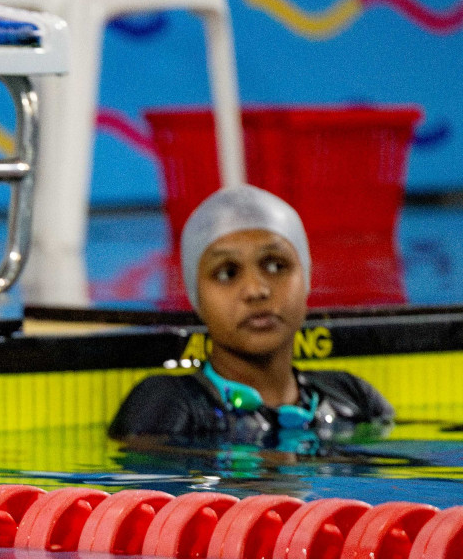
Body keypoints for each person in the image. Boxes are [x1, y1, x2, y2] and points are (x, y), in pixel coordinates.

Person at [109, 185, 392, 449]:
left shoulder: (353, 398)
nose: (256, 290)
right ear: (196, 297)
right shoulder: (168, 405)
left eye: (275, 265)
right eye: (226, 272)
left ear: (306, 280)